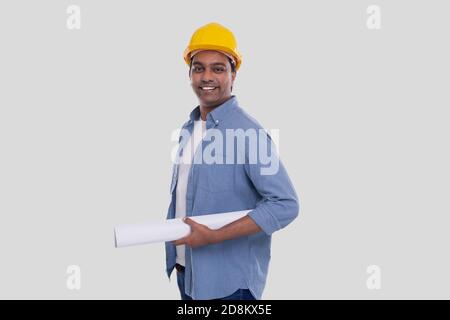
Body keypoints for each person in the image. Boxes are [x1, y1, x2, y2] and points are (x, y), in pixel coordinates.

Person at [165, 22, 300, 300]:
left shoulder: (248, 132)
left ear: (233, 74)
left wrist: (214, 236)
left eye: (218, 68)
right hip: (187, 275)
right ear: (189, 74)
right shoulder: (188, 130)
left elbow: (286, 204)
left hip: (229, 286)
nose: (206, 77)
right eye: (198, 67)